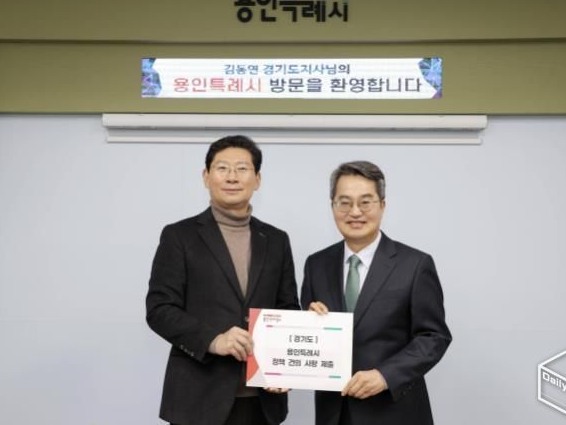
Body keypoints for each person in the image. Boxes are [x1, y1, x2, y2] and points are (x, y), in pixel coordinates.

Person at [146, 135, 300, 425]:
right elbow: (160, 309)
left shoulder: (277, 240)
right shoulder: (179, 236)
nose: (232, 177)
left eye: (242, 169)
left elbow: (288, 308)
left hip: (263, 400)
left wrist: (286, 369)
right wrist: (214, 340)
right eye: (222, 168)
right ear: (206, 176)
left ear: (257, 179)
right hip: (197, 399)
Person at [301, 161, 452, 425]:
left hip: (394, 412)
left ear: (382, 205)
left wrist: (385, 376)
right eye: (344, 203)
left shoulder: (415, 264)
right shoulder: (316, 264)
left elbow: (434, 337)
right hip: (333, 413)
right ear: (332, 206)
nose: (354, 212)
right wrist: (309, 322)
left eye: (365, 202)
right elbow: (308, 338)